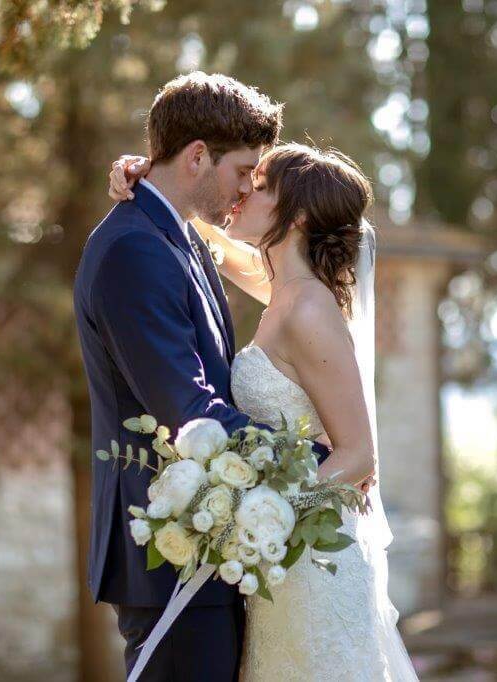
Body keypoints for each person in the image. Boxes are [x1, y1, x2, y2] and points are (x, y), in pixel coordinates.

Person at [107, 141, 418, 680]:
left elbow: (361, 455)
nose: (243, 189)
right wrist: (146, 181)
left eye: (260, 184)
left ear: (295, 213)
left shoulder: (310, 309)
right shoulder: (284, 290)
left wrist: (263, 515)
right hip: (279, 568)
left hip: (315, 567)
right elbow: (215, 239)